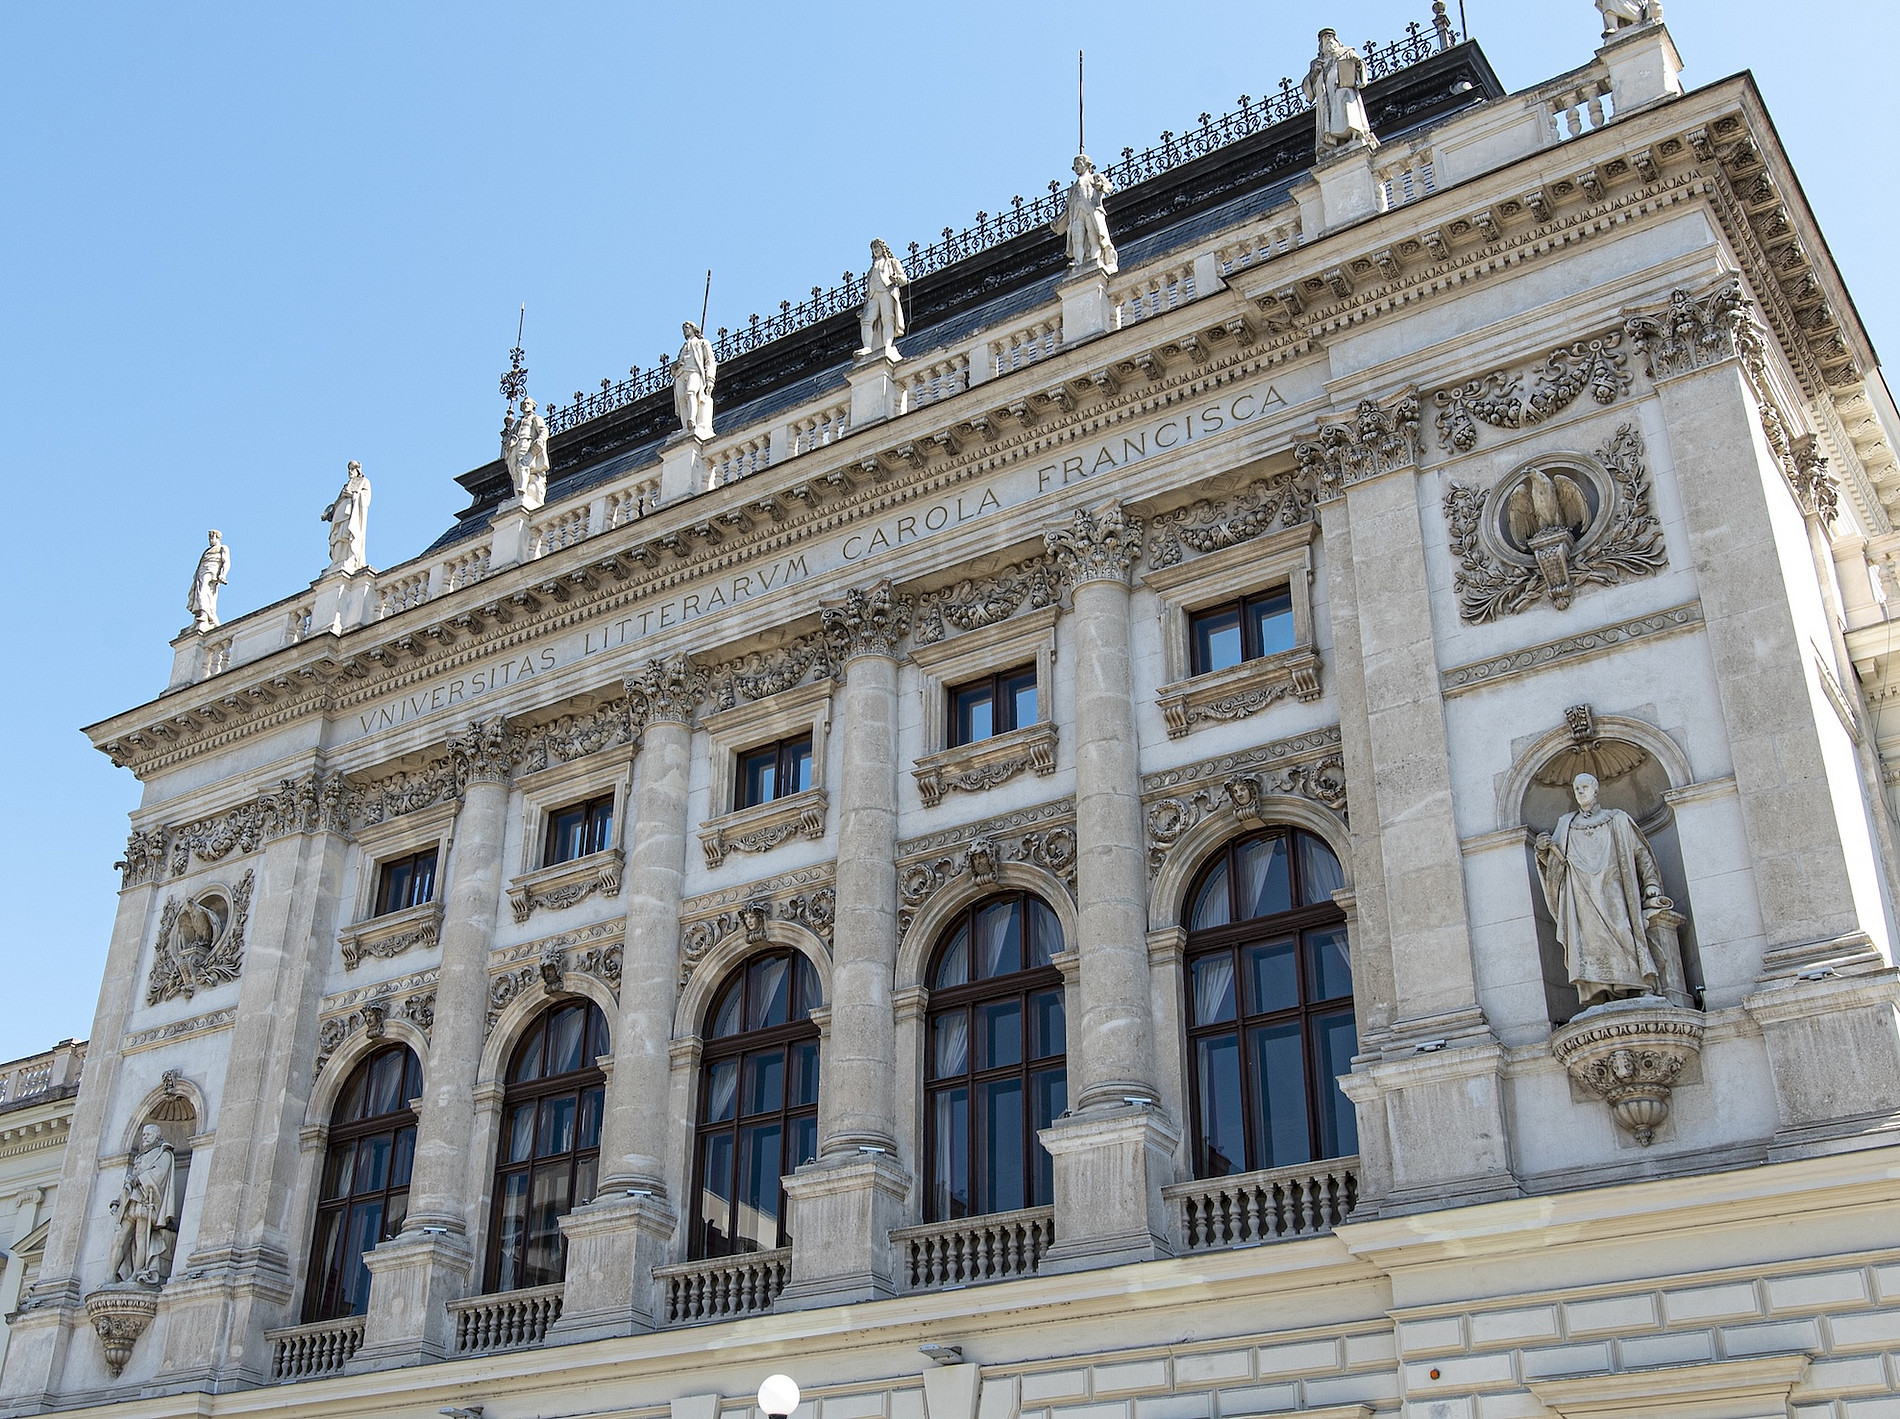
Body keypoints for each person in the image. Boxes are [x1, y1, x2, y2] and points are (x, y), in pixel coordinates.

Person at [1534, 772, 1671, 1006]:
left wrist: (1651, 884)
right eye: (1576, 788)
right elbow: (1556, 866)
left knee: (1623, 930)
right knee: (1588, 943)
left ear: (1596, 790)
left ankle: (1638, 984)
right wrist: (1542, 850)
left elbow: (1641, 854)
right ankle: (1600, 992)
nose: (1580, 792)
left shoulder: (1616, 819)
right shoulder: (1566, 823)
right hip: (1580, 896)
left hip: (1614, 887)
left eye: (1585, 787)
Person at [108, 1124, 177, 1286]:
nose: (144, 1137)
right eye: (144, 1134)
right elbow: (133, 1178)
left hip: (147, 1203)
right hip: (130, 1202)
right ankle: (110, 1276)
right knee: (119, 1239)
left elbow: (159, 1175)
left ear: (157, 1136)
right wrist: (118, 1200)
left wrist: (138, 1180)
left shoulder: (163, 1153)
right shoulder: (140, 1157)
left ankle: (136, 1274)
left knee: (141, 1239)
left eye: (148, 1134)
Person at [1303, 29, 1377, 152]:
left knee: (1345, 99)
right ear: (1321, 45)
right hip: (1327, 96)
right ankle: (1337, 141)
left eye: (1330, 37)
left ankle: (1353, 134)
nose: (1329, 41)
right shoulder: (1317, 63)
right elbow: (1307, 87)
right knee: (1331, 117)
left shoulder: (1347, 52)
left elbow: (1360, 65)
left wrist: (1357, 64)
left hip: (1342, 87)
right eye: (1325, 38)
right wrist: (1314, 73)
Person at [1052, 154, 1118, 274]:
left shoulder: (1095, 178)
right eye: (1075, 166)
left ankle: (1095, 260)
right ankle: (1078, 263)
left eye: (1078, 164)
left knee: (1094, 238)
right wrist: (1058, 221)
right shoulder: (1072, 189)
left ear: (1086, 165)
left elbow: (1109, 187)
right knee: (1077, 240)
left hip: (1091, 212)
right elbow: (1068, 208)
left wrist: (1101, 186)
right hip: (1076, 216)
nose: (1076, 167)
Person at [859, 238, 910, 358]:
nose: (875, 250)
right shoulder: (871, 271)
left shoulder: (892, 262)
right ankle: (867, 347)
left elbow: (904, 279)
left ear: (883, 248)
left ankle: (888, 344)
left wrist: (896, 278)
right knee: (866, 320)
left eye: (877, 247)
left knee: (888, 318)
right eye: (873, 249)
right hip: (874, 296)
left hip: (887, 291)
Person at [321, 461, 372, 574]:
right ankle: (338, 561)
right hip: (340, 514)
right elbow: (337, 502)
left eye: (352, 469)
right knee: (337, 537)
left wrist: (353, 495)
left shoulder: (363, 482)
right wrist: (330, 512)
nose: (350, 471)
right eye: (349, 469)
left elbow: (365, 498)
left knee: (347, 534)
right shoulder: (345, 486)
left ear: (358, 470)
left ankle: (349, 558)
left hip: (350, 513)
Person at [501, 396, 550, 510]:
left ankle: (523, 489)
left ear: (533, 406)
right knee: (515, 470)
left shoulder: (535, 418)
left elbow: (543, 430)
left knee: (523, 465)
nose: (525, 406)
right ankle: (518, 494)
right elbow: (513, 435)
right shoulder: (519, 422)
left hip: (527, 444)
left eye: (527, 403)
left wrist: (540, 440)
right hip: (517, 445)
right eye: (523, 404)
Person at [673, 321, 717, 441]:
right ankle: (685, 428)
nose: (685, 330)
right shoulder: (683, 347)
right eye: (683, 329)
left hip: (694, 371)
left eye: (687, 328)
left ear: (693, 328)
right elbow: (676, 365)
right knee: (682, 400)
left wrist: (710, 379)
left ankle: (692, 419)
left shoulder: (703, 343)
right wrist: (676, 366)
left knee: (691, 393)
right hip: (680, 374)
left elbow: (710, 361)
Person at [187, 530, 230, 633]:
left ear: (218, 538)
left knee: (203, 590)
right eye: (209, 538)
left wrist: (223, 574)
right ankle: (202, 615)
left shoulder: (222, 548)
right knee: (199, 592)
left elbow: (226, 562)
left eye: (212, 538)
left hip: (211, 571)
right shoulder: (207, 551)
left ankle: (204, 614)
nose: (211, 541)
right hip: (201, 572)